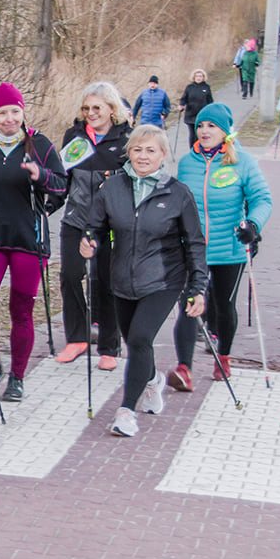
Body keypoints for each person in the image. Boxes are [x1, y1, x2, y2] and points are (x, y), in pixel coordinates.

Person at [81, 125, 207, 437]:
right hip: (122, 278)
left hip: (164, 279)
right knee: (135, 343)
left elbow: (194, 243)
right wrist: (89, 240)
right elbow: (94, 226)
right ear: (130, 153)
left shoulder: (177, 193)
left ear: (163, 155)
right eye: (137, 149)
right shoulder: (112, 189)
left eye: (151, 150)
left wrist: (197, 287)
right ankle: (152, 380)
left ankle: (126, 412)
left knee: (139, 339)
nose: (143, 156)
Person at [0, 83, 68, 402]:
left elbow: (62, 186)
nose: (9, 118)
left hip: (29, 240)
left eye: (14, 111)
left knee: (21, 311)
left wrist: (41, 177)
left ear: (23, 112)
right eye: (2, 113)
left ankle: (17, 376)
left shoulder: (39, 144)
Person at [170, 104, 272, 389]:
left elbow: (263, 199)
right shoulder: (187, 163)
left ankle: (223, 357)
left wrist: (253, 225)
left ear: (225, 132)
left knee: (224, 307)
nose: (204, 131)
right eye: (201, 125)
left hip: (230, 248)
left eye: (211, 126)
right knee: (190, 306)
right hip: (193, 249)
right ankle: (184, 369)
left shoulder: (243, 162)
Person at [57, 82, 131, 373]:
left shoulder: (125, 139)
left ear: (112, 109)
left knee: (106, 281)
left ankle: (110, 347)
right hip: (76, 218)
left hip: (109, 223)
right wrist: (46, 201)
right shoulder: (74, 137)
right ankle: (77, 337)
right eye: (86, 108)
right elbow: (62, 178)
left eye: (97, 108)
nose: (91, 113)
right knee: (71, 275)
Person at [177, 68, 213, 147]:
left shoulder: (206, 87)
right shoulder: (189, 87)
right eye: (197, 76)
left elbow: (210, 101)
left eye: (200, 76)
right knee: (192, 134)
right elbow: (184, 98)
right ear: (194, 77)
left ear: (203, 77)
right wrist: (181, 105)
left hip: (202, 115)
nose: (198, 78)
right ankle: (192, 151)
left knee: (200, 134)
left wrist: (211, 111)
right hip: (191, 114)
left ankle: (200, 150)